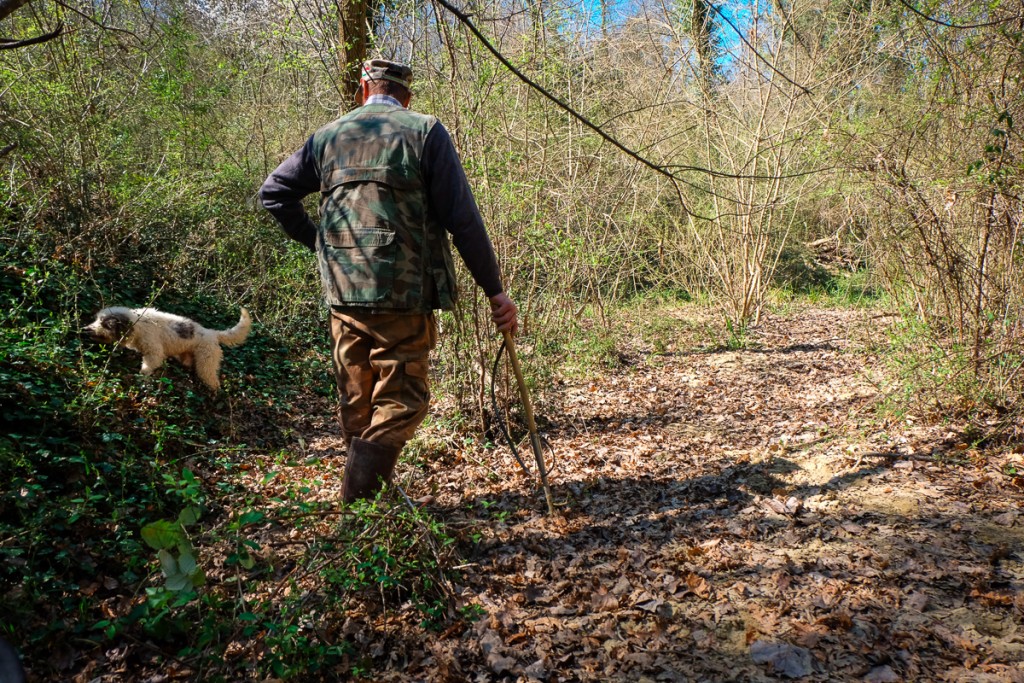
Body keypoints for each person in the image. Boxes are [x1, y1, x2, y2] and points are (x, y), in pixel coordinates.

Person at [260, 59, 518, 503]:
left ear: (364, 89)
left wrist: (324, 245)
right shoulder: (424, 131)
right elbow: (463, 220)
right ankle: (360, 505)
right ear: (407, 96)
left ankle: (369, 504)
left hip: (343, 292)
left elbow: (274, 194)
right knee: (404, 398)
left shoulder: (328, 136)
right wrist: (495, 289)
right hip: (404, 294)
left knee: (357, 397)